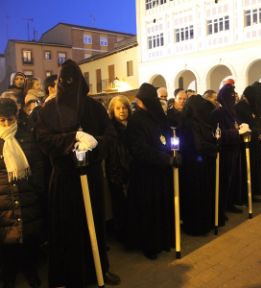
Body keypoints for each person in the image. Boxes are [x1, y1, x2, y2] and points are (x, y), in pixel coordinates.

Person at [35, 59, 120, 287]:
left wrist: (95, 143)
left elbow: (111, 136)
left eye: (73, 80)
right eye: (65, 80)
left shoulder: (94, 107)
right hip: (64, 179)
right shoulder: (49, 110)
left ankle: (99, 269)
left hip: (90, 176)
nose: (69, 84)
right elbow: (43, 140)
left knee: (94, 226)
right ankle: (66, 276)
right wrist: (72, 138)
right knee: (66, 229)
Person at [125, 83, 174, 259]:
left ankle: (163, 239)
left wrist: (172, 152)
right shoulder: (136, 120)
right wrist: (164, 158)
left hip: (162, 172)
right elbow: (139, 149)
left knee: (161, 206)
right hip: (146, 174)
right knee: (149, 209)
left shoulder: (158, 117)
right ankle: (150, 244)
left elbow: (168, 137)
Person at [0, 98, 44, 288]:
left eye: (10, 119)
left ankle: (30, 270)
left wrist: (35, 189)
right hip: (3, 198)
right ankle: (8, 276)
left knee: (29, 240)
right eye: (2, 120)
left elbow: (38, 165)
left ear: (16, 117)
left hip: (27, 196)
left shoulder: (27, 136)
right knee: (7, 241)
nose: (7, 124)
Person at [179, 93, 217, 235]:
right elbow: (198, 145)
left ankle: (198, 224)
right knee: (197, 197)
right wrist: (214, 147)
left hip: (192, 165)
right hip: (195, 166)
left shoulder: (187, 121)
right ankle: (197, 226)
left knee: (194, 197)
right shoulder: (192, 123)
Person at [212, 83, 248, 225]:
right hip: (224, 151)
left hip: (234, 149)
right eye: (231, 95)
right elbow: (218, 133)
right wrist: (236, 132)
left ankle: (229, 203)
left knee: (232, 180)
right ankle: (221, 209)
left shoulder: (232, 111)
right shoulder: (218, 113)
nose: (234, 97)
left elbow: (235, 125)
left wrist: (241, 128)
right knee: (223, 181)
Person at [105, 95, 132, 241]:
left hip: (131, 170)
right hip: (117, 172)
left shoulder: (132, 126)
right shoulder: (111, 129)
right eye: (118, 108)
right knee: (120, 206)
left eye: (124, 108)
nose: (122, 111)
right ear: (112, 110)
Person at [235, 83, 261, 200]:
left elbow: (257, 120)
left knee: (255, 167)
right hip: (246, 143)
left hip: (255, 142)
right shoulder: (240, 107)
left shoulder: (252, 106)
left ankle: (254, 192)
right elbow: (244, 124)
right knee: (247, 169)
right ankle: (246, 195)